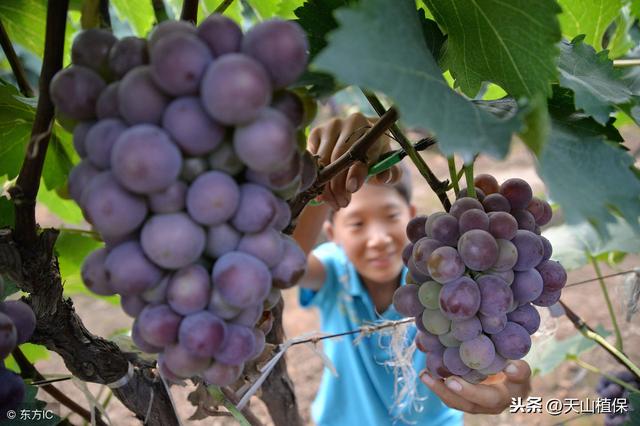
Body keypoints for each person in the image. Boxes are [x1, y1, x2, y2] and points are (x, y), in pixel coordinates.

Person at [292, 113, 532, 425]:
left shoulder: (447, 275)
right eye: (356, 222)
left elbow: (495, 349)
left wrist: (500, 379)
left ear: (412, 215)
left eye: (390, 216)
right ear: (332, 233)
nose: (377, 239)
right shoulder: (334, 272)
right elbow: (287, 262)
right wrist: (322, 177)